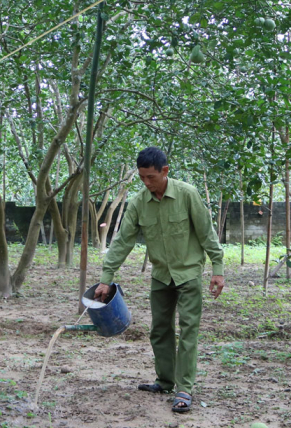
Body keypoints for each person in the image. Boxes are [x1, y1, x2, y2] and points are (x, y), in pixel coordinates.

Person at [94, 146, 224, 413]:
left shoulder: (187, 194)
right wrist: (106, 278)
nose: (146, 183)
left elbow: (206, 233)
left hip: (188, 275)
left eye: (150, 177)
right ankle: (165, 381)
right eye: (142, 177)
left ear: (165, 171)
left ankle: (184, 388)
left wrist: (217, 268)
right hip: (161, 277)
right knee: (159, 330)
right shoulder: (140, 202)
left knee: (188, 330)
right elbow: (122, 242)